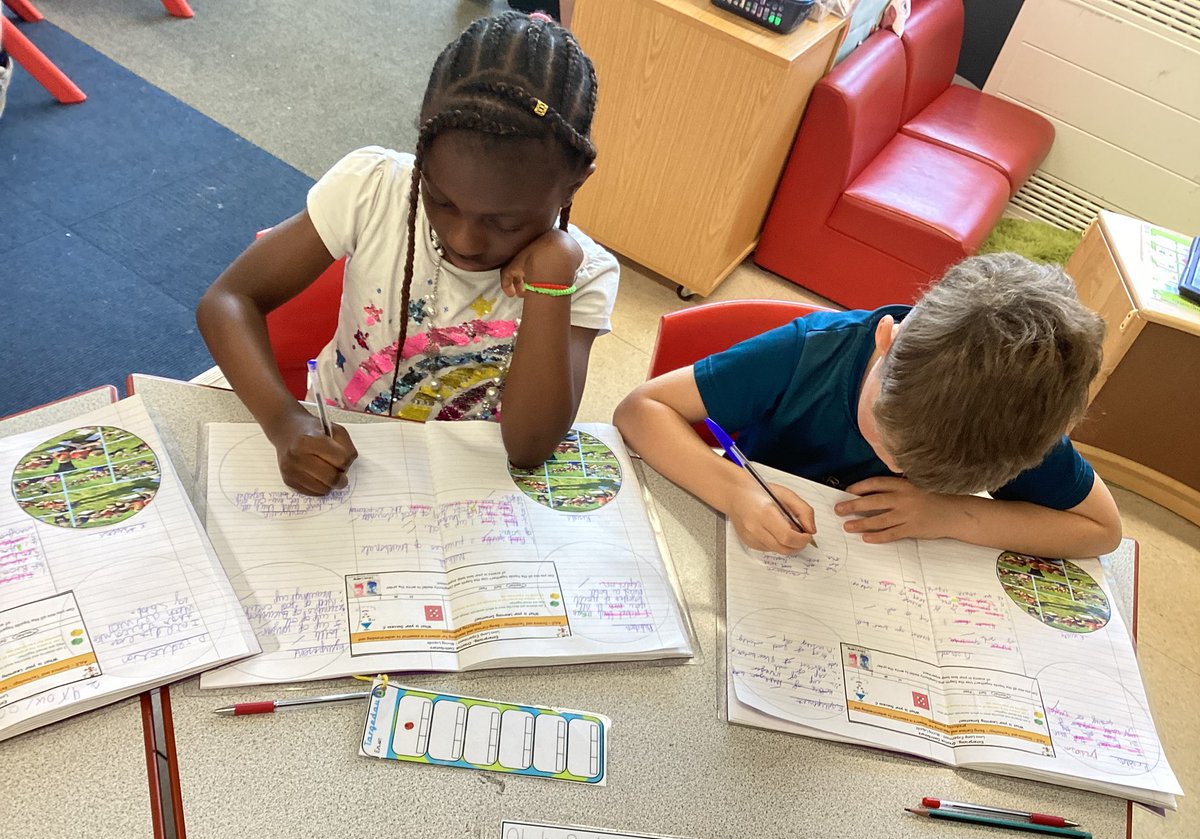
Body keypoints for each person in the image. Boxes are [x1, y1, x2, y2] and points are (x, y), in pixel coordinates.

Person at [197, 11, 616, 496]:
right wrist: (284, 421)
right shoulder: (372, 189)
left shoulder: (584, 276)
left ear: (574, 184)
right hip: (345, 455)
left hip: (472, 488)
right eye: (439, 199)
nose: (464, 240)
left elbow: (529, 448)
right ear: (421, 150)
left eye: (505, 223)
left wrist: (553, 275)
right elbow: (226, 301)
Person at [614, 253, 1123, 560]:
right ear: (885, 339)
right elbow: (641, 408)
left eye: (931, 473)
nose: (894, 466)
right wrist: (739, 494)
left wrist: (950, 513)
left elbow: (1102, 530)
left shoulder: (1012, 416)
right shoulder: (809, 352)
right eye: (884, 436)